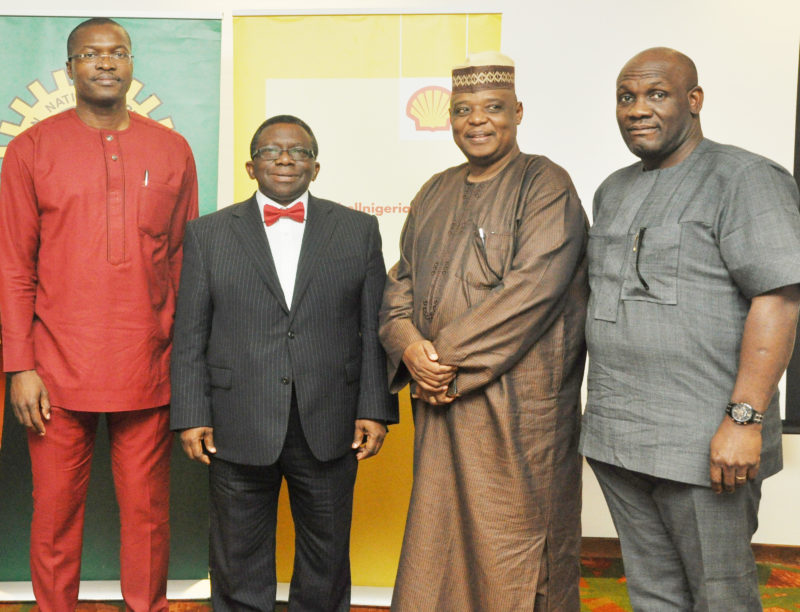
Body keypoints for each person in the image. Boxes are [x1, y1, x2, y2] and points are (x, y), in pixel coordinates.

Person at [580, 47, 800, 611]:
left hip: (705, 441)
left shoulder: (745, 178)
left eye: (656, 94)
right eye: (626, 97)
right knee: (653, 594)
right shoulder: (614, 189)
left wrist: (744, 420)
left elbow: (777, 298)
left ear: (694, 101)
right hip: (619, 436)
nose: (637, 109)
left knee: (720, 597)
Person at [0, 17, 198, 612]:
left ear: (132, 65)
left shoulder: (171, 149)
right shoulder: (31, 149)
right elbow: (12, 265)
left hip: (150, 364)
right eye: (91, 54)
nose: (106, 63)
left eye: (117, 53)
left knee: (147, 517)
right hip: (54, 372)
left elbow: (185, 263)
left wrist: (185, 364)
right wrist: (20, 367)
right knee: (56, 516)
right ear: (71, 69)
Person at [379, 51, 589, 611]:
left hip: (516, 408)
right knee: (438, 540)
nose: (477, 120)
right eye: (463, 109)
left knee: (514, 546)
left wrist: (440, 360)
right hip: (442, 401)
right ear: (448, 118)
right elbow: (400, 282)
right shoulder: (434, 190)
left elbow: (531, 294)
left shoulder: (546, 184)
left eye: (492, 108)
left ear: (517, 112)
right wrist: (408, 347)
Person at [170, 114, 398, 611]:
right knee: (237, 551)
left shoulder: (358, 230)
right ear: (251, 167)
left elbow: (372, 329)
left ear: (316, 168)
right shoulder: (207, 234)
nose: (286, 158)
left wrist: (375, 409)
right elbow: (189, 333)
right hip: (236, 419)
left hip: (330, 418)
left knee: (327, 550)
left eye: (299, 151)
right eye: (272, 151)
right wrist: (192, 414)